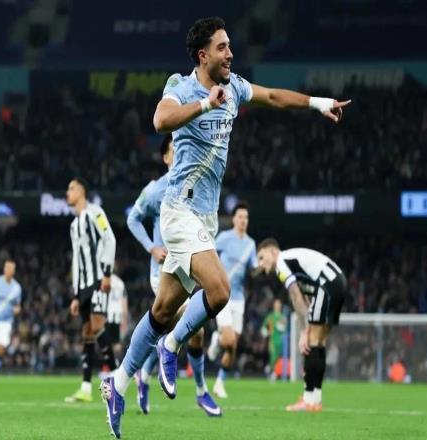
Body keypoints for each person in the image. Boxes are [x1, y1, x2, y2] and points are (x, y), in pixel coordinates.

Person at [100, 16, 350, 438]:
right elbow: (160, 121)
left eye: (230, 46)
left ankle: (117, 383)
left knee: (161, 311)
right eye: (222, 47)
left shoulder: (234, 87)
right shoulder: (181, 86)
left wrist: (317, 103)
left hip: (203, 217)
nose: (231, 53)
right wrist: (205, 105)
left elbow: (272, 96)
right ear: (203, 56)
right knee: (219, 291)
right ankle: (172, 345)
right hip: (179, 211)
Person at [127, 135, 221, 416]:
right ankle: (201, 392)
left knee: (175, 329)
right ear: (166, 158)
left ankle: (143, 376)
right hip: (165, 272)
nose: (180, 153)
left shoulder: (194, 183)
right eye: (174, 150)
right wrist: (151, 247)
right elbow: (133, 218)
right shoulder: (156, 190)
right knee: (191, 328)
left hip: (188, 267)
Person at [256, 239, 347, 412]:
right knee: (319, 343)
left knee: (311, 341)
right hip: (338, 282)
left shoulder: (281, 263)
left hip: (326, 285)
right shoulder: (292, 260)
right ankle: (316, 400)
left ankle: (308, 399)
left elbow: (296, 297)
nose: (260, 264)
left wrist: (304, 331)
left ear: (273, 251)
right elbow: (304, 296)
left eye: (261, 257)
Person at [65, 177, 118, 403]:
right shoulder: (73, 226)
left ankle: (117, 380)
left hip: (97, 279)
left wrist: (107, 273)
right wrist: (76, 295)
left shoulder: (96, 213)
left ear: (82, 192)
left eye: (71, 189)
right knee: (87, 333)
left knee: (97, 326)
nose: (67, 193)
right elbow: (76, 261)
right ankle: (85, 389)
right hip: (84, 285)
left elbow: (110, 239)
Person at [206, 201, 257, 398]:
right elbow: (210, 253)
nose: (243, 220)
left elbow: (253, 270)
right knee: (228, 339)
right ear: (234, 219)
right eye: (240, 217)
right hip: (223, 295)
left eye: (246, 217)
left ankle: (220, 382)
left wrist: (260, 268)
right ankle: (218, 338)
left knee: (233, 345)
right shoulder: (225, 238)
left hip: (239, 298)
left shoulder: (251, 244)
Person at [260, 299, 288, 381]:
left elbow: (284, 328)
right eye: (276, 304)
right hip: (272, 340)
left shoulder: (283, 317)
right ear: (274, 305)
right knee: (273, 355)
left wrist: (282, 327)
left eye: (279, 304)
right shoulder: (270, 317)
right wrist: (266, 332)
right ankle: (273, 372)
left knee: (277, 357)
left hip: (280, 340)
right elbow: (264, 327)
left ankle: (269, 368)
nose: (277, 306)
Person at [104, 273, 128, 364]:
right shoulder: (120, 283)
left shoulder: (105, 280)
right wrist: (125, 319)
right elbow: (124, 301)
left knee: (106, 343)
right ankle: (118, 363)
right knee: (117, 343)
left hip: (108, 314)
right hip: (118, 315)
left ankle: (110, 365)